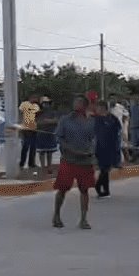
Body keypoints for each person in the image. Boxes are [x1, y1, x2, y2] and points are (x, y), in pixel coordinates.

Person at [52, 95, 97, 229]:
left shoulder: (91, 122)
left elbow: (94, 139)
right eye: (75, 103)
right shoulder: (65, 120)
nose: (76, 105)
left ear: (85, 106)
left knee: (84, 190)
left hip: (85, 160)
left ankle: (83, 219)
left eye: (79, 103)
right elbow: (58, 137)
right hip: (68, 160)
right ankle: (56, 215)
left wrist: (91, 151)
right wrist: (68, 148)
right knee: (62, 189)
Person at [94, 100, 122, 198]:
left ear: (103, 108)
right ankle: (105, 190)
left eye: (98, 107)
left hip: (111, 146)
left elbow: (118, 130)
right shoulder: (96, 119)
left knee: (106, 168)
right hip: (100, 147)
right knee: (104, 168)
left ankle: (99, 186)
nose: (96, 109)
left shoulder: (112, 118)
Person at [36, 98, 60, 174]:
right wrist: (47, 122)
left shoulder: (53, 112)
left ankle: (49, 167)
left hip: (50, 134)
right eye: (44, 103)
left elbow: (56, 121)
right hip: (41, 134)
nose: (45, 105)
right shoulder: (38, 113)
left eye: (47, 103)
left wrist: (47, 121)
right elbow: (36, 122)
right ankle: (43, 167)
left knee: (49, 152)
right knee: (41, 152)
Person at [19, 94, 41, 170]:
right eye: (35, 98)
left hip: (34, 128)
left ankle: (31, 163)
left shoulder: (36, 106)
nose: (36, 100)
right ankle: (22, 163)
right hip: (26, 128)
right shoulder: (24, 104)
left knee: (33, 147)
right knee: (25, 146)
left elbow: (37, 116)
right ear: (30, 97)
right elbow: (21, 113)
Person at [110, 98, 130, 163]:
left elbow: (127, 115)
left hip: (120, 129)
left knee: (123, 145)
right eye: (111, 99)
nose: (112, 100)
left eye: (114, 99)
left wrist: (125, 125)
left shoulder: (120, 107)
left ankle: (126, 159)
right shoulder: (107, 107)